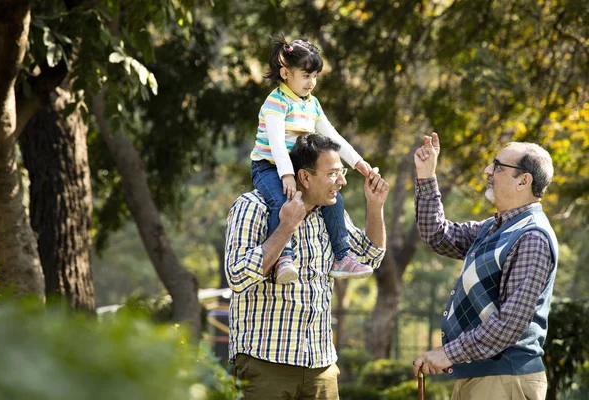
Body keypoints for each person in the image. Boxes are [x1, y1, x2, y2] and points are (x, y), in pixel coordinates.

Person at [226, 133, 389, 399]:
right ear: (304, 177)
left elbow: (370, 257)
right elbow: (237, 276)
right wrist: (285, 228)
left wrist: (375, 206)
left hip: (321, 369)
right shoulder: (252, 207)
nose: (343, 181)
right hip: (266, 365)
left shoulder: (330, 213)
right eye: (333, 173)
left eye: (343, 172)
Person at [412, 132, 558, 400]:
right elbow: (437, 235)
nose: (487, 170)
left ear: (524, 181)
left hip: (505, 380)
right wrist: (426, 177)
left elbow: (509, 324)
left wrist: (447, 353)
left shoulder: (532, 238)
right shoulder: (494, 227)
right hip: (482, 377)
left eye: (498, 167)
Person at [250, 34, 375, 284]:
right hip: (269, 167)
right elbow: (276, 144)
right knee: (282, 200)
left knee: (334, 199)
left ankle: (342, 256)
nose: (311, 83)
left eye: (315, 76)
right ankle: (284, 258)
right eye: (306, 76)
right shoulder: (276, 102)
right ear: (286, 73)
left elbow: (332, 136)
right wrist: (286, 175)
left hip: (298, 168)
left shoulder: (312, 105)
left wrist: (358, 162)